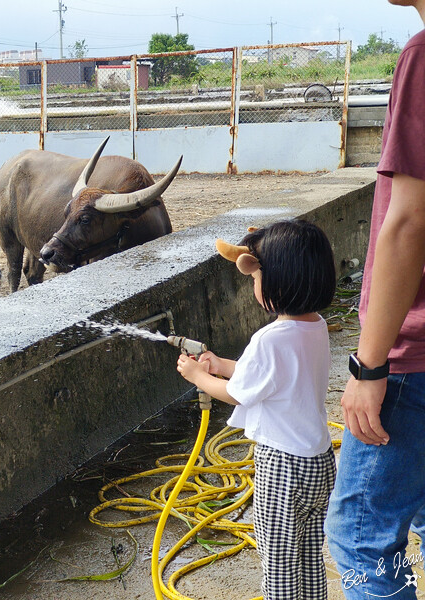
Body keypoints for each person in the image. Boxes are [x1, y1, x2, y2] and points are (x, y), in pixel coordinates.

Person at [177, 219, 337, 600]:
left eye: (254, 277)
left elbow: (238, 393)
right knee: (308, 556)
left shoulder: (268, 338)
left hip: (282, 467)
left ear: (275, 279)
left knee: (278, 564)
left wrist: (198, 376)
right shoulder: (316, 326)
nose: (253, 285)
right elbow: (270, 378)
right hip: (319, 462)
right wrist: (221, 364)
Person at [325, 2, 425, 598]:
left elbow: (409, 224)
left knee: (362, 537)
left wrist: (370, 364)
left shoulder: (422, 55)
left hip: (414, 358)